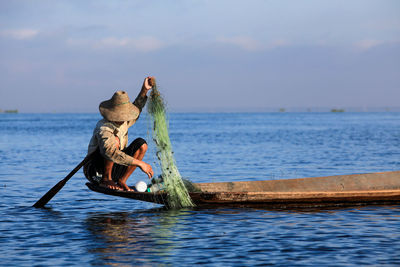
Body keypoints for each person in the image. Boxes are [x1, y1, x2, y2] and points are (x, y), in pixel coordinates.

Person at [84, 77, 154, 191]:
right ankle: (106, 180)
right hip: (95, 171)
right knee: (115, 141)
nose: (125, 118)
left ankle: (122, 180)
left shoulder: (124, 122)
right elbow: (110, 152)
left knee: (142, 144)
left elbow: (137, 108)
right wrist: (140, 164)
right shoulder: (104, 128)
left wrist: (144, 90)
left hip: (115, 166)